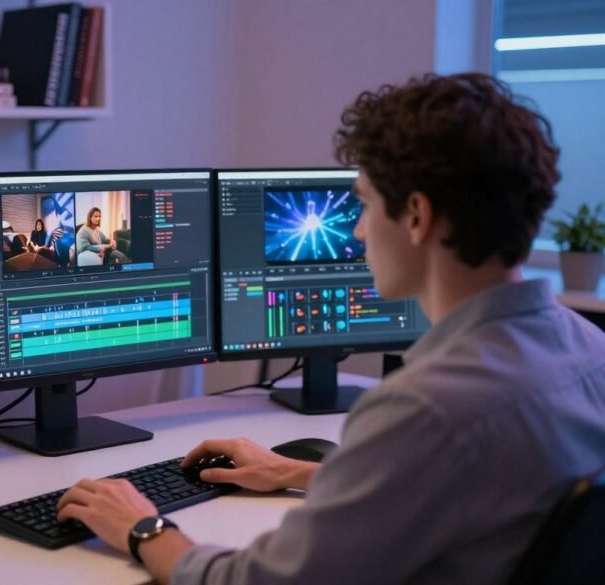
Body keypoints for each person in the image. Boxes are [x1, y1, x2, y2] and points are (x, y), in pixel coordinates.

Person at [56, 73, 605, 584]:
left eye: (364, 204)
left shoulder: (426, 410)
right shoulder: (590, 350)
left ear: (416, 215)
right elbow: (476, 492)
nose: (361, 232)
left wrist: (142, 528)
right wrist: (294, 471)